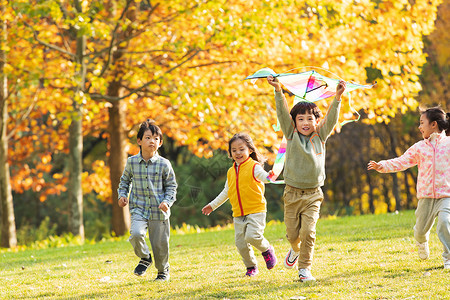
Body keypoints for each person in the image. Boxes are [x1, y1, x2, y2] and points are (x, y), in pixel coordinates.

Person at [267, 75, 346, 282]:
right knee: (293, 236)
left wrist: (337, 97)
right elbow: (283, 113)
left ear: (316, 121)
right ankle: (294, 250)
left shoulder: (320, 136)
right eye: (300, 119)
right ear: (294, 122)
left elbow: (331, 119)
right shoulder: (291, 134)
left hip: (313, 195)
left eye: (310, 118)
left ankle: (304, 270)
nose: (305, 122)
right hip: (292, 195)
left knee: (309, 233)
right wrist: (278, 90)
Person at [368, 107, 450, 269]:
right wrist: (382, 165)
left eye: (422, 123)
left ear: (433, 124)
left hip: (446, 195)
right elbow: (401, 161)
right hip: (426, 197)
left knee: (445, 223)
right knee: (420, 231)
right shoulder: (419, 147)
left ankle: (448, 258)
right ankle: (421, 241)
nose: (419, 127)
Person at [201, 133, 277, 277]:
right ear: (230, 153)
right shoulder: (231, 172)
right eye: (234, 150)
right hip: (238, 214)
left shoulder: (254, 167)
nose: (238, 153)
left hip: (256, 210)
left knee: (253, 236)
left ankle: (267, 249)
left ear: (250, 150)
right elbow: (226, 192)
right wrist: (212, 205)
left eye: (241, 149)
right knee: (241, 244)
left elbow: (264, 177)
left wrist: (270, 176)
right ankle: (251, 267)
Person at [118, 119, 178, 281]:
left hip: (159, 211)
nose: (152, 141)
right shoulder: (131, 162)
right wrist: (122, 195)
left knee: (160, 246)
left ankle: (162, 271)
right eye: (148, 137)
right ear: (139, 141)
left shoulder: (164, 164)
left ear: (160, 143)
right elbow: (124, 181)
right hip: (139, 208)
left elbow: (172, 186)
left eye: (156, 138)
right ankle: (145, 258)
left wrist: (167, 201)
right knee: (136, 234)